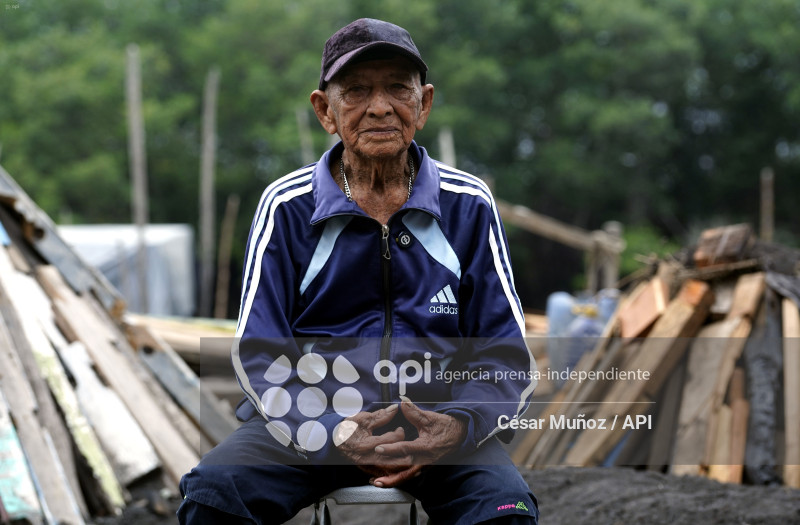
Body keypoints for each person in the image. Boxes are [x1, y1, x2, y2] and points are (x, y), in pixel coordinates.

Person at [178, 18, 539, 524]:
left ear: (424, 104)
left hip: (437, 430)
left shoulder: (468, 204)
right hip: (314, 425)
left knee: (505, 510)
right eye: (356, 91)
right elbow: (259, 350)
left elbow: (506, 353)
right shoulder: (287, 207)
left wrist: (457, 426)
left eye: (398, 88)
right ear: (325, 111)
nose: (380, 107)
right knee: (213, 496)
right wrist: (333, 429)